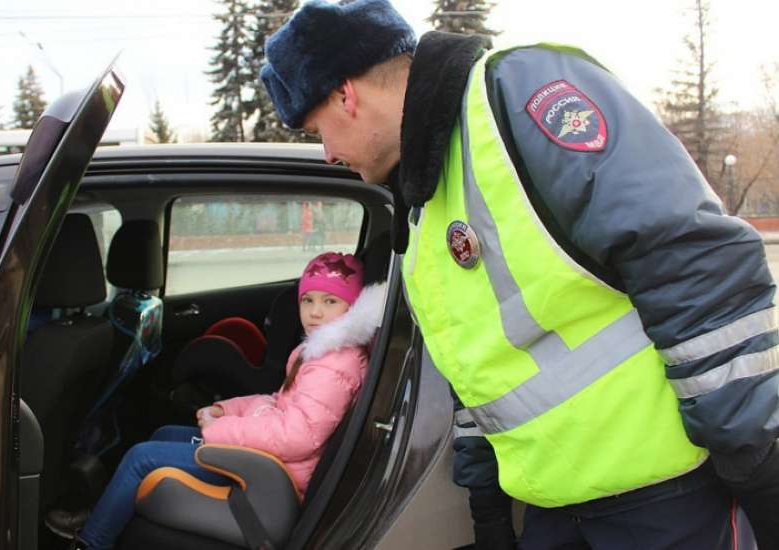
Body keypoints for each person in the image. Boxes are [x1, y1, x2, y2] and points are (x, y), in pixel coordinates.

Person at [259, 1, 779, 548]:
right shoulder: (423, 202)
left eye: (318, 130)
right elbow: (480, 375)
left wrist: (760, 465)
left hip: (667, 502)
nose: (326, 155)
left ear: (347, 94)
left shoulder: (521, 96)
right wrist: (487, 512)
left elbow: (694, 266)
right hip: (555, 511)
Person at [51, 252, 385, 549]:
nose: (314, 313)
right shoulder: (322, 353)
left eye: (330, 302)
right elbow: (278, 402)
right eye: (307, 300)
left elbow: (297, 436)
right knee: (165, 433)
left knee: (141, 457)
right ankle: (107, 518)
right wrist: (228, 409)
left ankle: (92, 541)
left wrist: (221, 428)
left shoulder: (333, 366)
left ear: (352, 306)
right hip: (270, 457)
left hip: (271, 476)